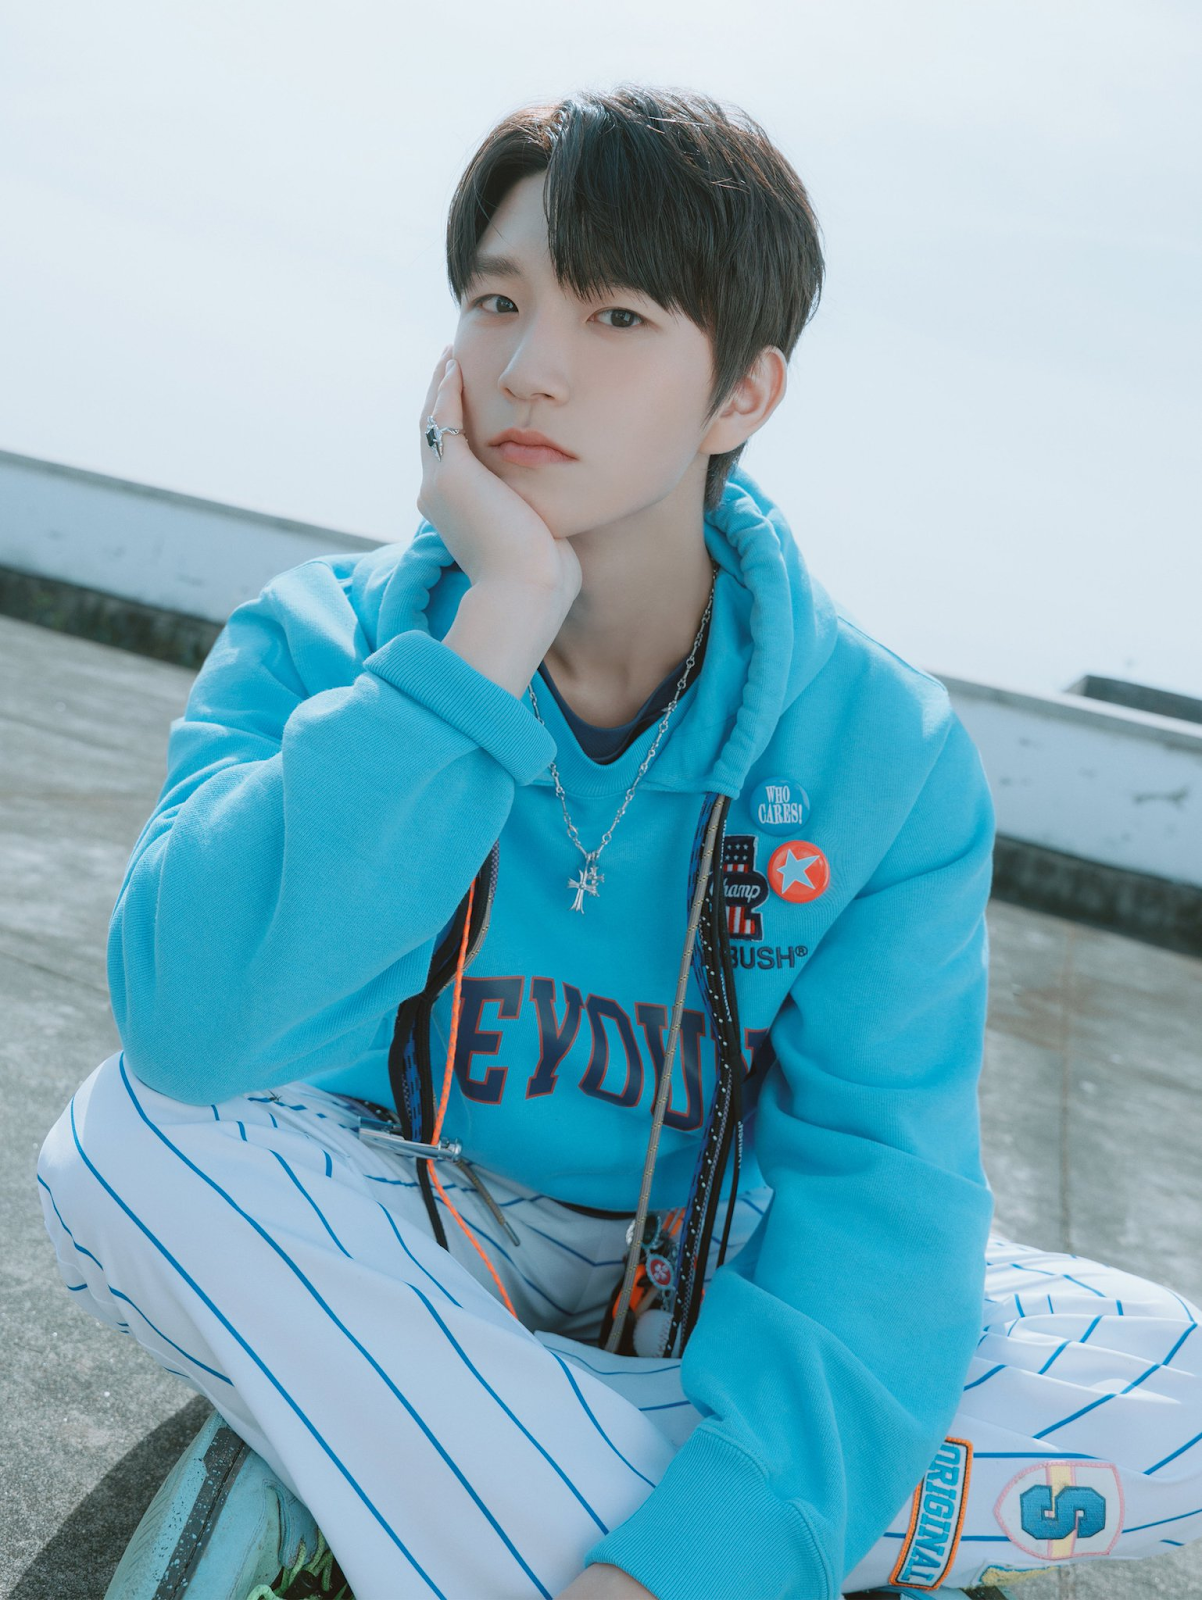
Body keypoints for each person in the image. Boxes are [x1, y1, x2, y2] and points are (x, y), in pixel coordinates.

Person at [37, 83, 1202, 1600]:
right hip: (389, 1217)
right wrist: (482, 642)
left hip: (705, 1264)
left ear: (742, 398)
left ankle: (379, 1460)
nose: (531, 367)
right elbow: (192, 1030)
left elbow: (877, 1190)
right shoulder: (323, 640)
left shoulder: (883, 749)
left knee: (1175, 1383)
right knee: (125, 1149)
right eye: (497, 302)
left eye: (617, 317)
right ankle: (714, 1527)